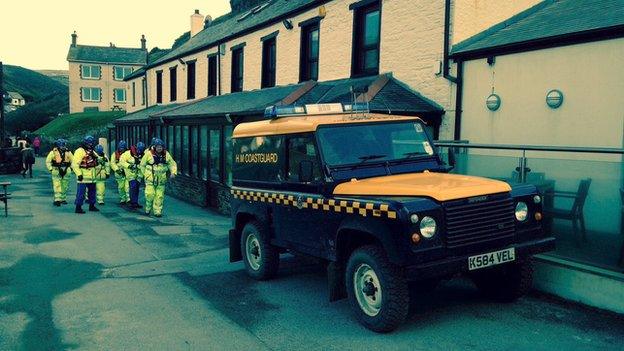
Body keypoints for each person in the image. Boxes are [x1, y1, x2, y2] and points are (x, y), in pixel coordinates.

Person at [140, 138, 177, 217]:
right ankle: (148, 208)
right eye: (158, 147)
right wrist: (145, 175)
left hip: (161, 179)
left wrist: (173, 172)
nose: (159, 148)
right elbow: (142, 165)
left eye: (161, 147)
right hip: (150, 179)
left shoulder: (166, 154)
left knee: (159, 196)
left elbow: (172, 164)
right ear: (154, 147)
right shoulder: (148, 154)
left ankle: (157, 211)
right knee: (150, 195)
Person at [71, 135, 99, 214]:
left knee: (92, 192)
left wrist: (101, 159)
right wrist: (79, 174)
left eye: (91, 142)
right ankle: (78, 207)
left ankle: (92, 205)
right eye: (89, 143)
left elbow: (97, 158)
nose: (90, 144)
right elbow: (75, 164)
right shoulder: (80, 151)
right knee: (81, 193)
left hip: (92, 176)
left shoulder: (92, 151)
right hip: (83, 176)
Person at [45, 139, 73, 206]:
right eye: (62, 145)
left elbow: (73, 161)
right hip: (56, 170)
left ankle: (63, 198)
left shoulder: (68, 152)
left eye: (64, 145)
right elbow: (48, 161)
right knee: (57, 185)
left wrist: (71, 169)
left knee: (65, 185)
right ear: (58, 145)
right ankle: (57, 199)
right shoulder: (53, 152)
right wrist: (51, 169)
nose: (63, 146)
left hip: (66, 170)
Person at [120, 141, 145, 209]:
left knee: (136, 188)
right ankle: (133, 202)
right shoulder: (127, 153)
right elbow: (122, 161)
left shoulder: (144, 155)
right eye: (139, 149)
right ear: (136, 148)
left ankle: (135, 202)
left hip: (139, 175)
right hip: (131, 174)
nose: (140, 151)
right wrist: (129, 166)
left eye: (141, 150)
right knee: (133, 187)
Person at [110, 140, 130, 206]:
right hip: (119, 173)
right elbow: (112, 163)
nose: (122, 149)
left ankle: (128, 199)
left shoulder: (128, 153)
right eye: (121, 147)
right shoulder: (115, 154)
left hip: (127, 172)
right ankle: (123, 199)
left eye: (123, 147)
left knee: (127, 186)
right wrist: (117, 169)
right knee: (121, 187)